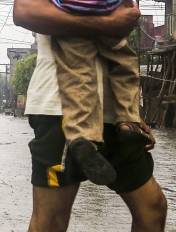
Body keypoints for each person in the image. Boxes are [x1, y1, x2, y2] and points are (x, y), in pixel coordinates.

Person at [0, 0, 167, 232]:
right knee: (49, 227)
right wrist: (107, 22)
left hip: (115, 115)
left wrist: (132, 115)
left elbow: (125, 34)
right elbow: (26, 12)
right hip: (60, 108)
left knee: (152, 208)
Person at [49, 0, 149, 186]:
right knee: (125, 67)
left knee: (78, 78)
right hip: (107, 13)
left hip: (70, 15)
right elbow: (131, 12)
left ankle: (82, 135)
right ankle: (128, 120)